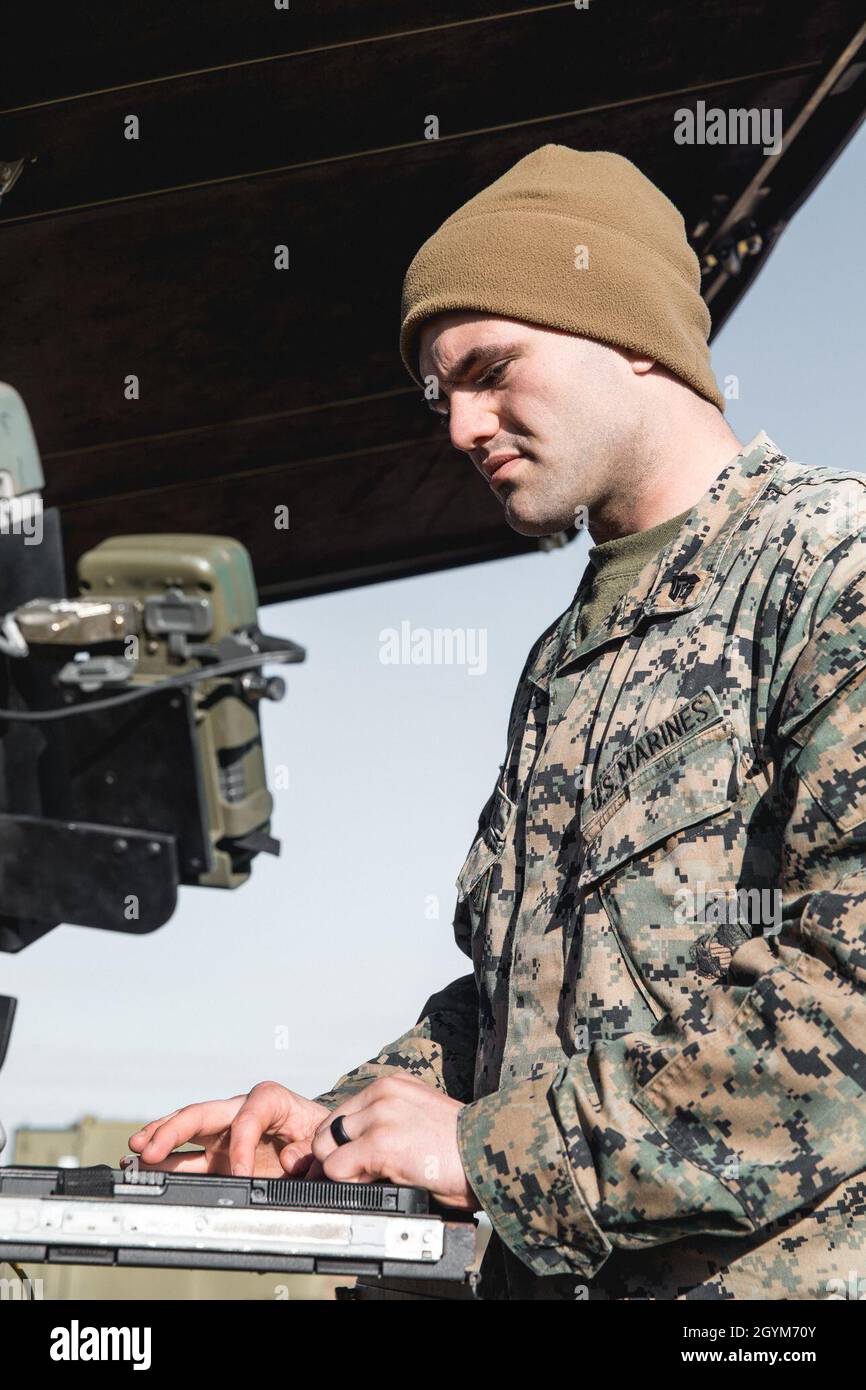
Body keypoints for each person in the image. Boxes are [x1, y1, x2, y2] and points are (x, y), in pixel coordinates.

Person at [128, 145, 866, 1300]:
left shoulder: (829, 570)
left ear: (631, 331)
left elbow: (848, 1005)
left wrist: (486, 1154)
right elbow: (518, 1007)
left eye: (489, 368)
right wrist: (333, 1128)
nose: (462, 425)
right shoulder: (567, 657)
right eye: (440, 392)